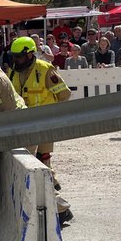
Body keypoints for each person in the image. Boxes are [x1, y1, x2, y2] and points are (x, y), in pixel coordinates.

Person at [8, 37, 73, 223]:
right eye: (15, 57)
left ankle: (58, 207)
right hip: (23, 125)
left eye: (20, 57)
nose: (17, 60)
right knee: (40, 163)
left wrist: (51, 115)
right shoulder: (12, 71)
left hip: (43, 123)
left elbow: (64, 94)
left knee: (37, 163)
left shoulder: (44, 69)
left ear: (30, 54)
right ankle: (54, 187)